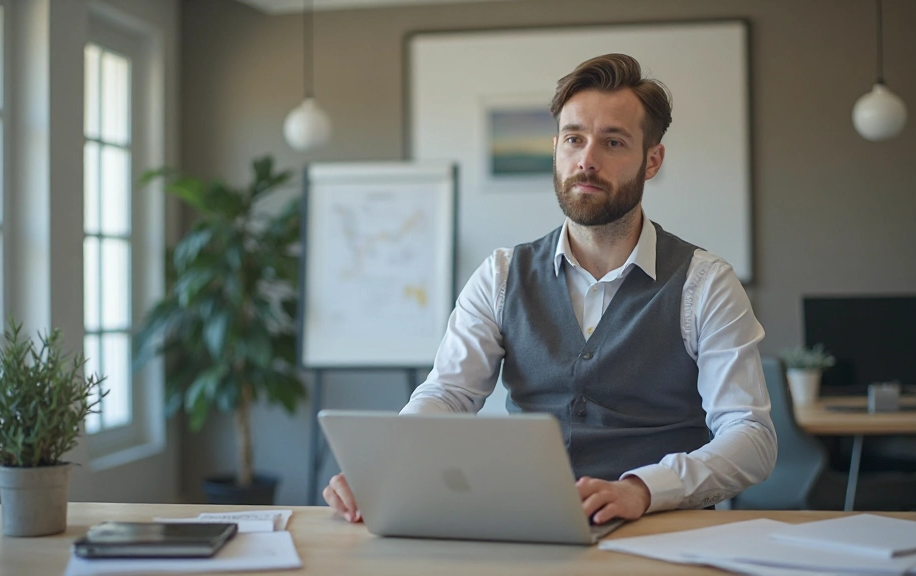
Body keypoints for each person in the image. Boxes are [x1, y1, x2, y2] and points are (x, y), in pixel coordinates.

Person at [324, 53, 776, 525]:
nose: (587, 161)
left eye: (613, 142)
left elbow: (750, 435)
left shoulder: (706, 283)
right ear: (556, 148)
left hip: (661, 529)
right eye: (573, 139)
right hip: (528, 524)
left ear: (652, 161)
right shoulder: (500, 275)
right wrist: (381, 466)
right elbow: (448, 394)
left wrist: (643, 490)